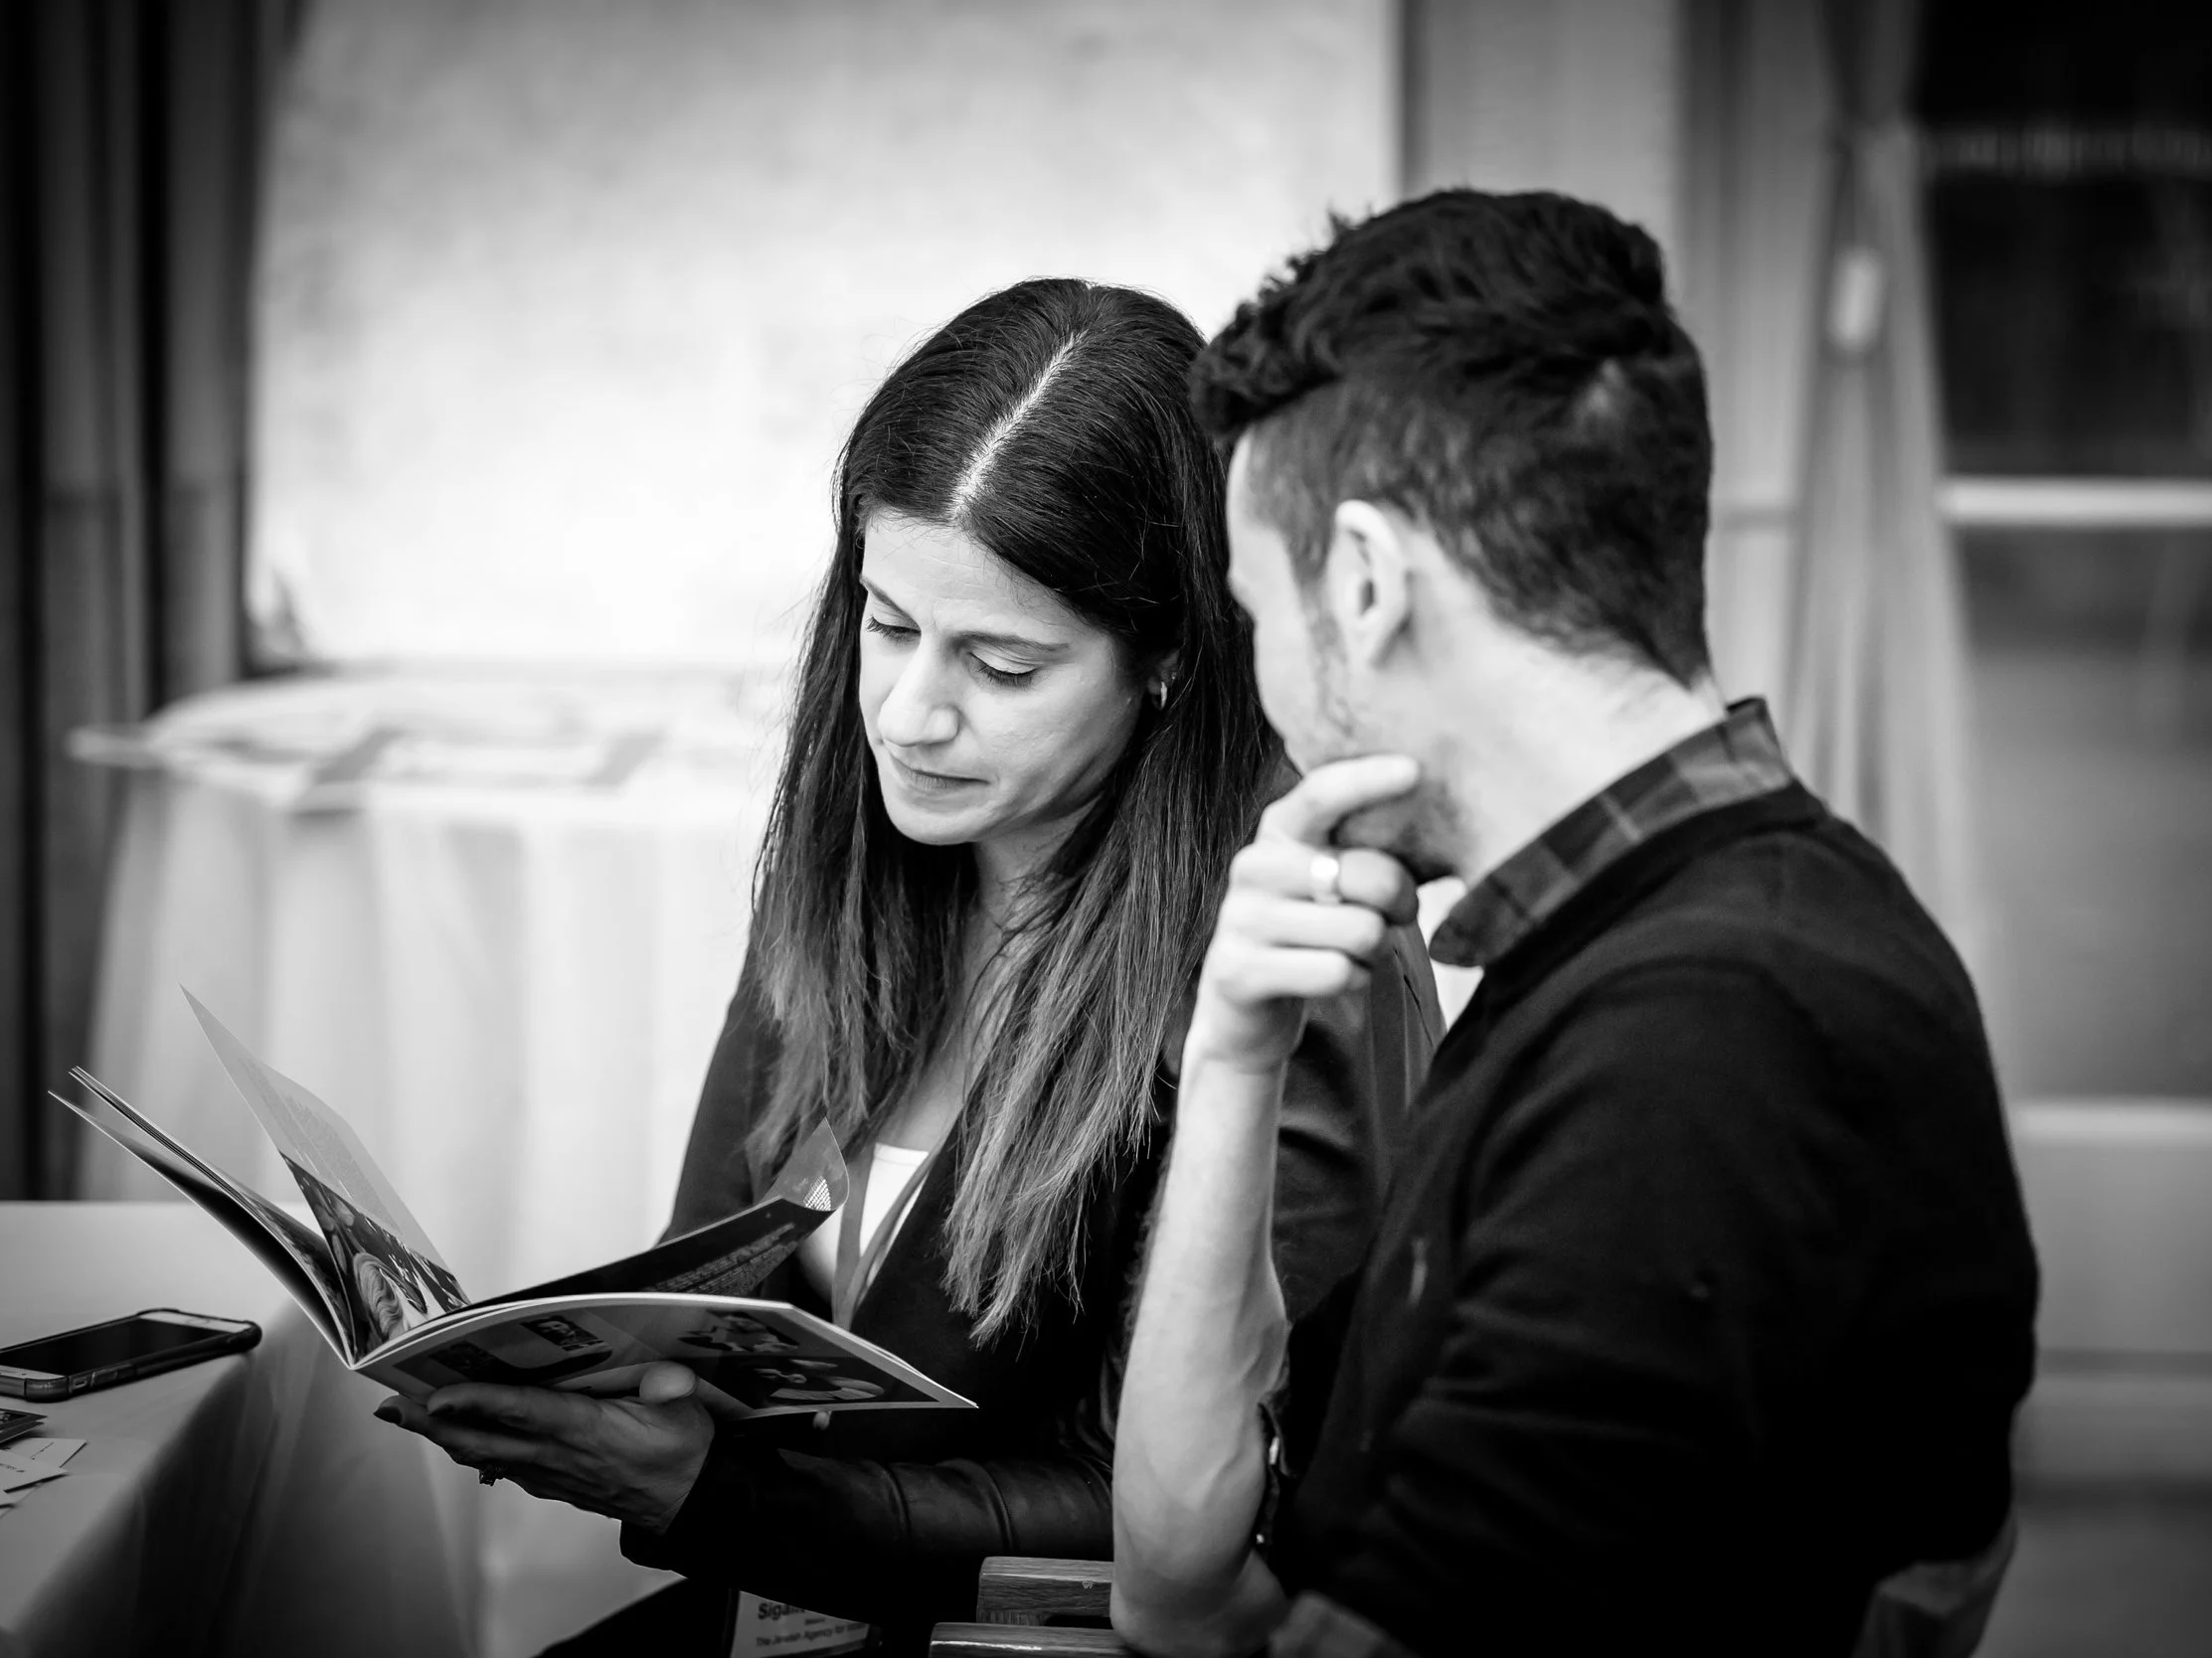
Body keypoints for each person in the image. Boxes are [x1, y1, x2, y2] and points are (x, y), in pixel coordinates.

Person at [372, 277, 1441, 1652]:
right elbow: (711, 1287)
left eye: (1002, 665)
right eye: (887, 625)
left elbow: (1181, 1518)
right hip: (804, 1595)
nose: (908, 715)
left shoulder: (1290, 939)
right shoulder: (858, 845)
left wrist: (718, 1494)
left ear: (1169, 652)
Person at [1110, 191, 2041, 1657]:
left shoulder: (1705, 1045)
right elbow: (1181, 1592)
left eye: (1257, 613)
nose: (1268, 691)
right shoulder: (1616, 966)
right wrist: (1232, 1059)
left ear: (1365, 584)